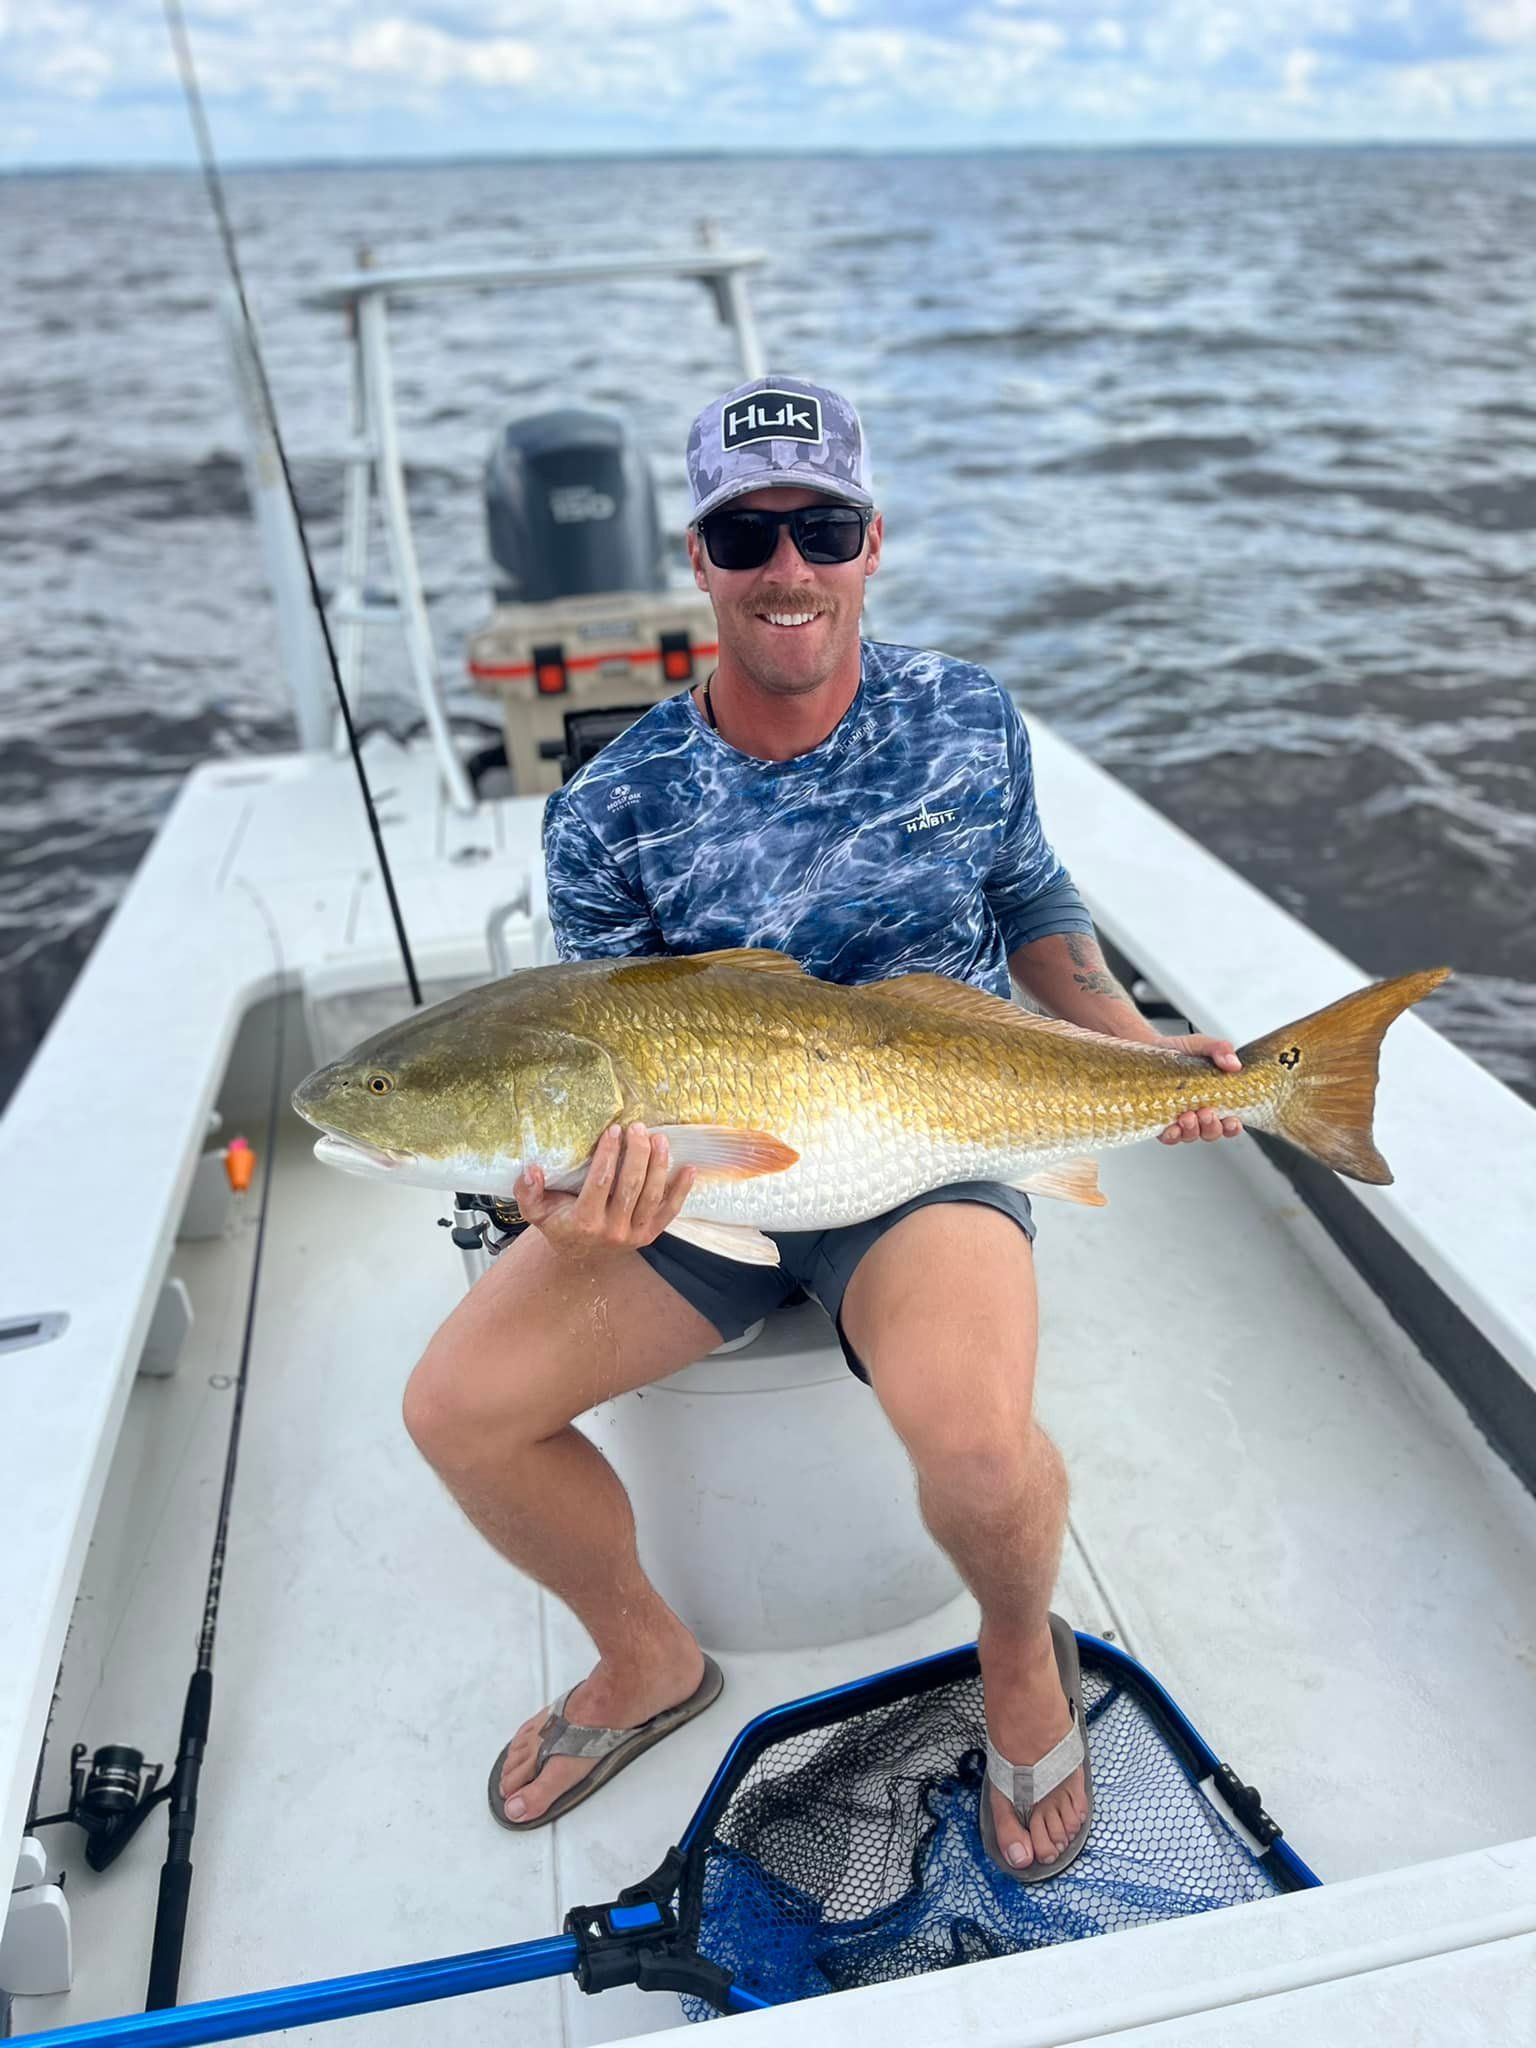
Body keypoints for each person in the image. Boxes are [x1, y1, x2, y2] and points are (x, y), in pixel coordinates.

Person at [402, 374, 1243, 1880]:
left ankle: (1017, 1656)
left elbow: (1033, 900)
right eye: (746, 532)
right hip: (684, 1179)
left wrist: (1134, 1045)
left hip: (923, 1145)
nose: (787, 567)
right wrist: (577, 1194)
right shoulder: (612, 806)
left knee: (980, 1453)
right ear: (700, 556)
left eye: (822, 527)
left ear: (871, 544)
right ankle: (646, 1653)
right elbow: (586, 1038)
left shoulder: (966, 715)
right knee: (457, 1410)